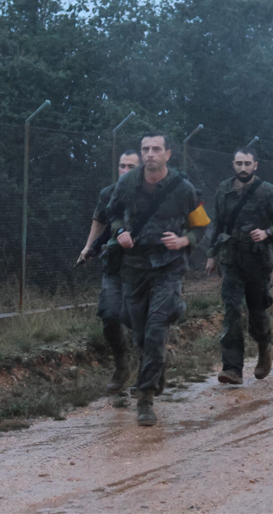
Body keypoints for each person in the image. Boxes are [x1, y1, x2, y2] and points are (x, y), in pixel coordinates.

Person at [106, 132, 209, 426]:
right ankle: (157, 363)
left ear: (167, 154)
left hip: (168, 266)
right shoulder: (127, 183)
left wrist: (184, 240)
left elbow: (200, 226)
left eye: (156, 149)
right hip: (134, 267)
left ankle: (145, 397)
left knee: (155, 329)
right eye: (145, 149)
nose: (150, 154)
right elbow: (112, 215)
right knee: (139, 332)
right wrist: (119, 233)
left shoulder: (182, 187)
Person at [205, 146, 273, 384]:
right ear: (233, 164)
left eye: (247, 164)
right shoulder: (223, 189)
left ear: (255, 165)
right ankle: (232, 368)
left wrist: (266, 233)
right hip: (231, 259)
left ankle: (264, 347)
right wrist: (212, 255)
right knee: (231, 311)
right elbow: (218, 225)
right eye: (239, 163)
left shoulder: (267, 191)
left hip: (257, 261)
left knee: (257, 311)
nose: (243, 168)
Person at [77, 150, 141, 394]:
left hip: (142, 267)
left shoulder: (150, 192)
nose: (125, 171)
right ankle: (122, 366)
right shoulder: (108, 193)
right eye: (122, 166)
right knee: (109, 315)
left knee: (139, 321)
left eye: (131, 166)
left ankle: (147, 374)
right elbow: (99, 221)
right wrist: (87, 247)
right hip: (114, 264)